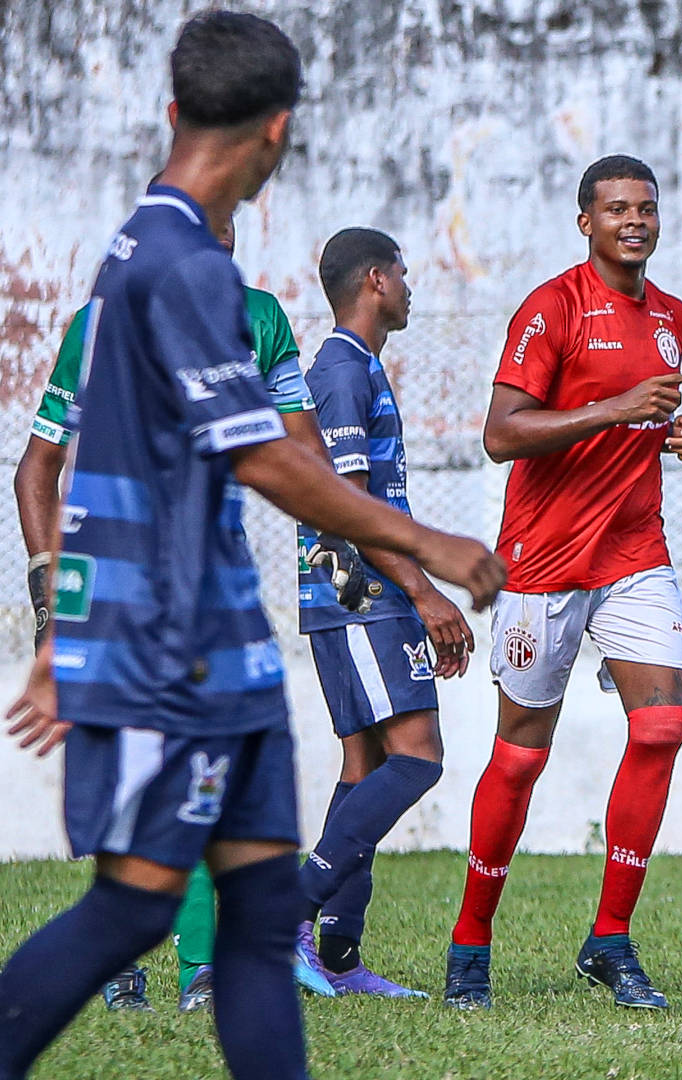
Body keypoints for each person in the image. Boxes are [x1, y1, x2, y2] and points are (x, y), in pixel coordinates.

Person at [0, 13, 504, 1079]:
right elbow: (267, 461)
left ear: (176, 111)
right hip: (172, 650)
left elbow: (134, 463)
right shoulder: (180, 268)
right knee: (131, 913)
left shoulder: (147, 256)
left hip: (226, 646)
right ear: (279, 133)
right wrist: (427, 544)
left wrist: (66, 620)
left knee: (251, 923)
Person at [15, 208, 314, 1016]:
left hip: (219, 594)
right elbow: (37, 470)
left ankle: (201, 969)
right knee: (142, 783)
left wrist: (353, 542)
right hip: (117, 591)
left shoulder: (260, 319)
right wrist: (54, 606)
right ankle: (138, 961)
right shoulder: (100, 322)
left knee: (217, 790)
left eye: (221, 237)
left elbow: (300, 455)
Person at [442, 154, 682, 1012]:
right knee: (520, 757)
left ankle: (609, 939)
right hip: (545, 558)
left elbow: (644, 416)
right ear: (585, 221)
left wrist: (679, 436)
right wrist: (613, 410)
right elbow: (501, 434)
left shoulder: (672, 315)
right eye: (617, 209)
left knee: (665, 724)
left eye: (647, 208)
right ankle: (470, 944)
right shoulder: (551, 307)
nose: (635, 220)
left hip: (634, 551)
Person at [290, 228, 471, 999]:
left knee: (363, 766)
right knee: (418, 757)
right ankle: (283, 920)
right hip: (358, 597)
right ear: (375, 280)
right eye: (403, 272)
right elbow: (354, 506)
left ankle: (335, 955)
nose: (410, 285)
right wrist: (426, 593)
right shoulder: (338, 369)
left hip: (363, 597)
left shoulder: (359, 367)